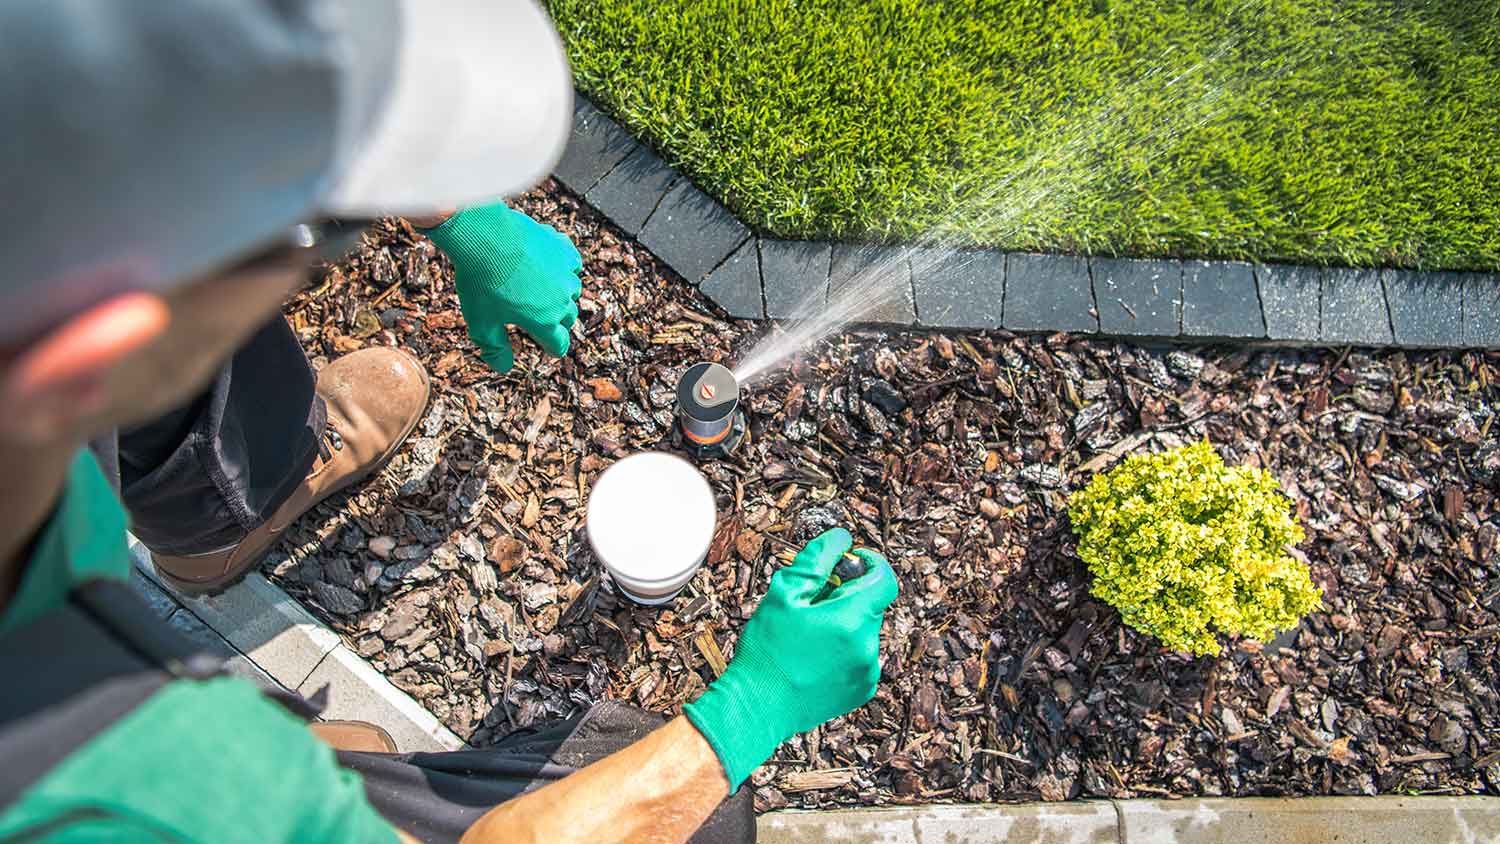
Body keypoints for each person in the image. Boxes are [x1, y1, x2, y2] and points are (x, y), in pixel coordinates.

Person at [0, 1, 901, 843]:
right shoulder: (146, 791)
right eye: (306, 246)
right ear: (93, 350)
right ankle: (244, 577)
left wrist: (456, 215)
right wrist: (751, 712)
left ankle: (231, 527)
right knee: (703, 818)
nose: (321, 259)